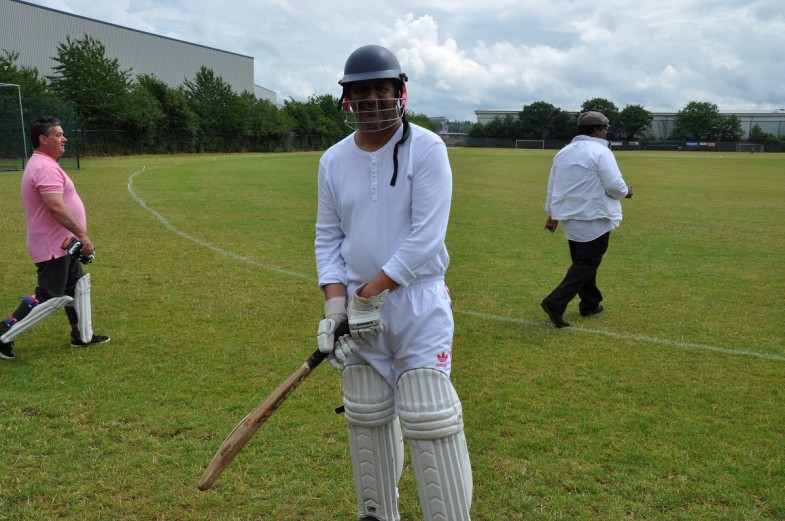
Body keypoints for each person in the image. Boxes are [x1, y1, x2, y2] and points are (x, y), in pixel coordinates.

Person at [314, 45, 472, 520]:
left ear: (400, 92)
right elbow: (328, 238)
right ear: (347, 100)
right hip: (360, 314)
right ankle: (377, 513)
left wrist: (367, 296)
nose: (372, 99)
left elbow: (426, 236)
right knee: (365, 414)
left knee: (428, 416)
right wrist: (335, 309)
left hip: (416, 303)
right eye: (360, 92)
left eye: (382, 89)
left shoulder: (427, 147)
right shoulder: (332, 160)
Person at [0, 116, 109, 360]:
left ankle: (82, 335)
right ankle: (3, 333)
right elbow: (56, 207)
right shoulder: (44, 167)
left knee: (77, 287)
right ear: (43, 139)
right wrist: (82, 234)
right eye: (58, 135)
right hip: (52, 245)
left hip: (64, 244)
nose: (64, 139)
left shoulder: (45, 163)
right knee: (50, 297)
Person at [540, 110, 633, 328]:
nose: (606, 133)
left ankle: (590, 303)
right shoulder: (601, 152)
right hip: (595, 216)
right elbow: (614, 186)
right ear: (597, 130)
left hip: (570, 216)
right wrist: (626, 191)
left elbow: (553, 186)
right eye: (605, 129)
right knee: (587, 263)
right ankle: (555, 302)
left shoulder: (563, 153)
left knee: (583, 263)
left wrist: (552, 214)